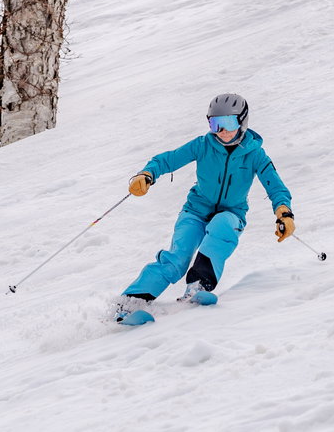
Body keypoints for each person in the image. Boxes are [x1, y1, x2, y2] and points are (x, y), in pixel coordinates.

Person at [115, 92, 294, 324]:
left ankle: (199, 285)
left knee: (223, 226)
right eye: (214, 124)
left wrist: (284, 212)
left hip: (232, 213)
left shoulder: (255, 155)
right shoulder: (203, 145)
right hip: (196, 211)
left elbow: (275, 186)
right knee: (177, 260)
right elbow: (167, 159)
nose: (221, 131)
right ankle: (130, 302)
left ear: (242, 122)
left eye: (227, 123)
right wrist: (147, 174)